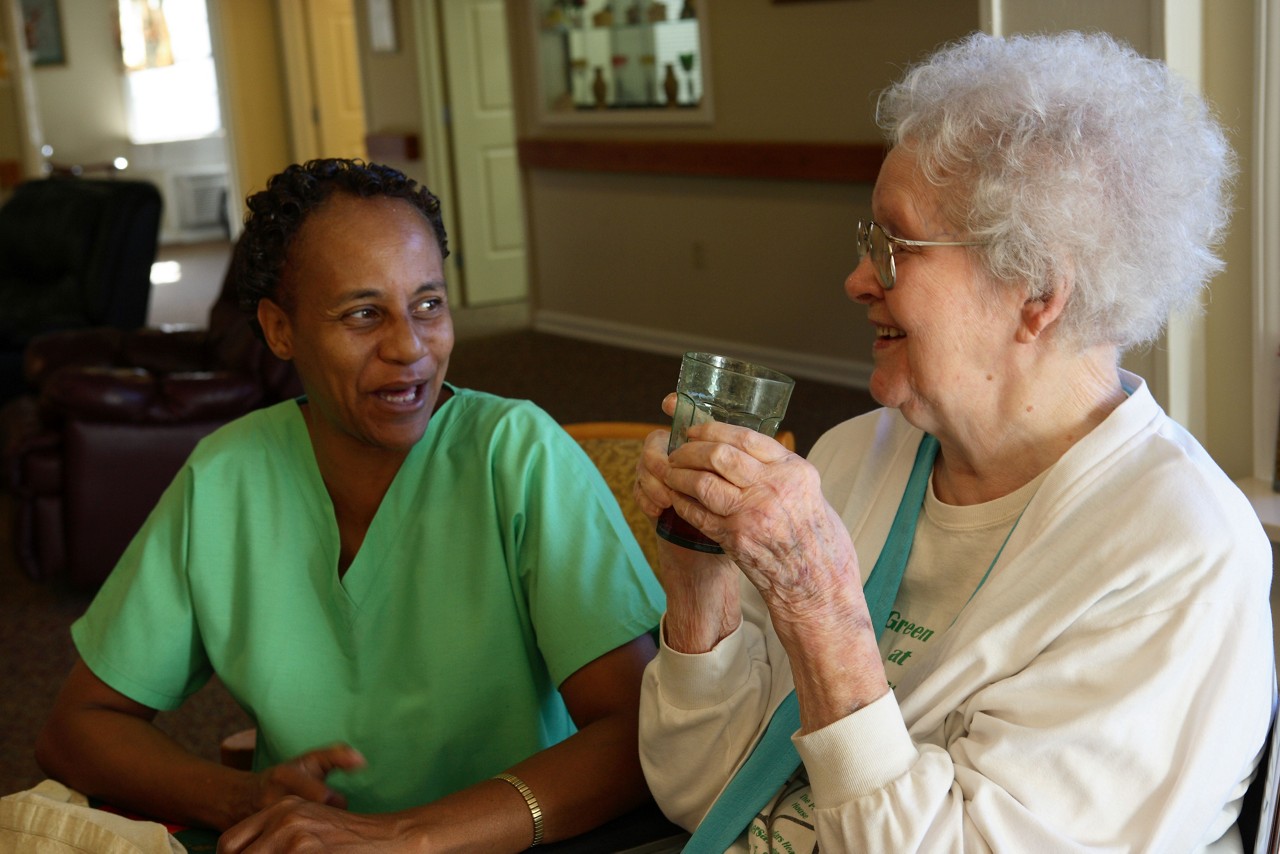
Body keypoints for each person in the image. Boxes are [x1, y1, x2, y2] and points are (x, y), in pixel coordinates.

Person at [634, 31, 1274, 852]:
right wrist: (699, 588)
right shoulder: (857, 455)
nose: (859, 280)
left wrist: (824, 610)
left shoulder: (1176, 554)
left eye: (895, 246)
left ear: (1037, 290)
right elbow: (702, 796)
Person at [35, 158, 666, 851]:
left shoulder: (515, 455)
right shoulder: (227, 475)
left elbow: (637, 733)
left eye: (428, 304)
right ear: (280, 330)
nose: (410, 347)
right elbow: (78, 728)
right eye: (363, 314)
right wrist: (245, 796)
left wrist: (403, 839)